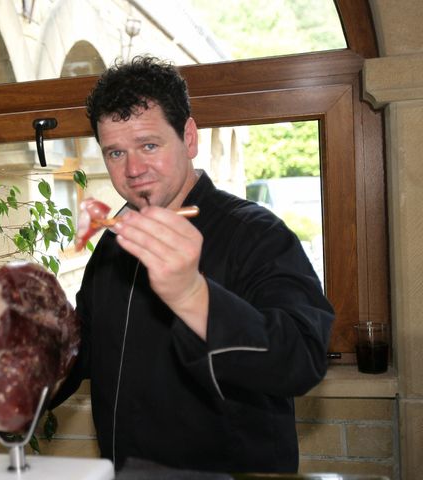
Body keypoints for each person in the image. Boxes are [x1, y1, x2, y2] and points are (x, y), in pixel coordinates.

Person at [52, 55, 334, 474]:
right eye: (115, 152)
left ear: (189, 138)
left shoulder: (257, 233)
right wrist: (27, 350)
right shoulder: (113, 246)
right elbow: (84, 350)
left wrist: (191, 294)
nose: (133, 170)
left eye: (149, 145)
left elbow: (302, 358)